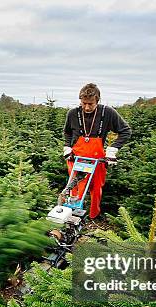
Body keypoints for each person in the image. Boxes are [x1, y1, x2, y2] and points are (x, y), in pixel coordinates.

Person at [62, 83, 132, 219]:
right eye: (84, 103)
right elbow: (67, 132)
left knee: (96, 187)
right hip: (76, 157)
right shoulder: (73, 114)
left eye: (91, 104)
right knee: (74, 186)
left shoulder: (107, 113)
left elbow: (126, 131)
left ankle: (94, 215)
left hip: (97, 158)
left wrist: (112, 150)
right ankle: (72, 215)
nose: (87, 107)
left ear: (97, 101)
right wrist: (67, 147)